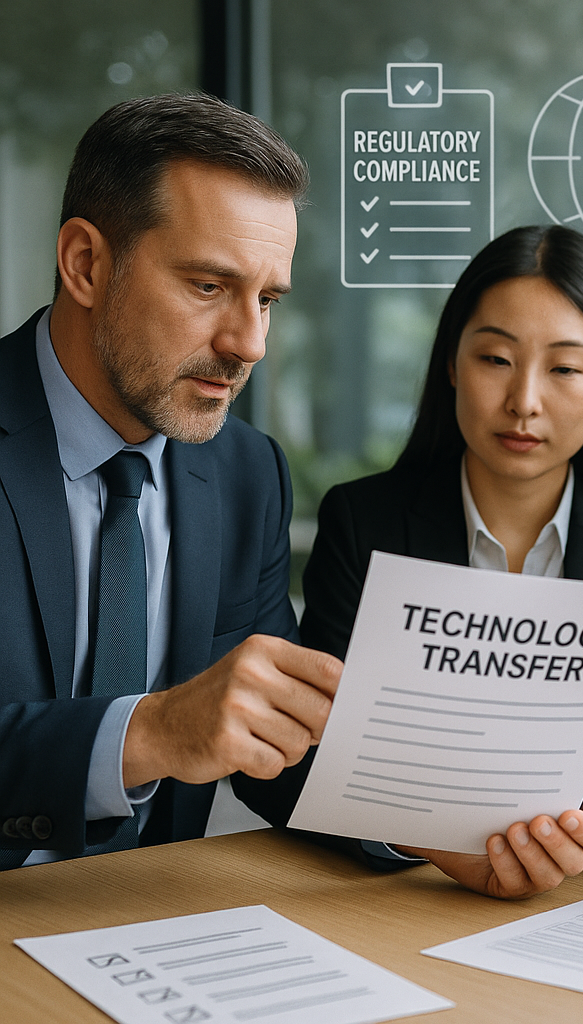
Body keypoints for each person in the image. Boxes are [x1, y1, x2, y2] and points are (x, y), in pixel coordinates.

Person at [254, 225, 583, 898]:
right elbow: (299, 757)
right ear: (451, 363)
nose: (524, 400)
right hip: (404, 891)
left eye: (565, 368)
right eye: (496, 359)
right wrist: (408, 833)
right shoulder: (365, 522)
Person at [0, 93, 341, 869]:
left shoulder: (247, 471)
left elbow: (274, 746)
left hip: (155, 932)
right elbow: (183, 727)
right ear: (86, 263)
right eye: (209, 286)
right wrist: (150, 734)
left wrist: (437, 830)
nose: (249, 342)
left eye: (267, 299)